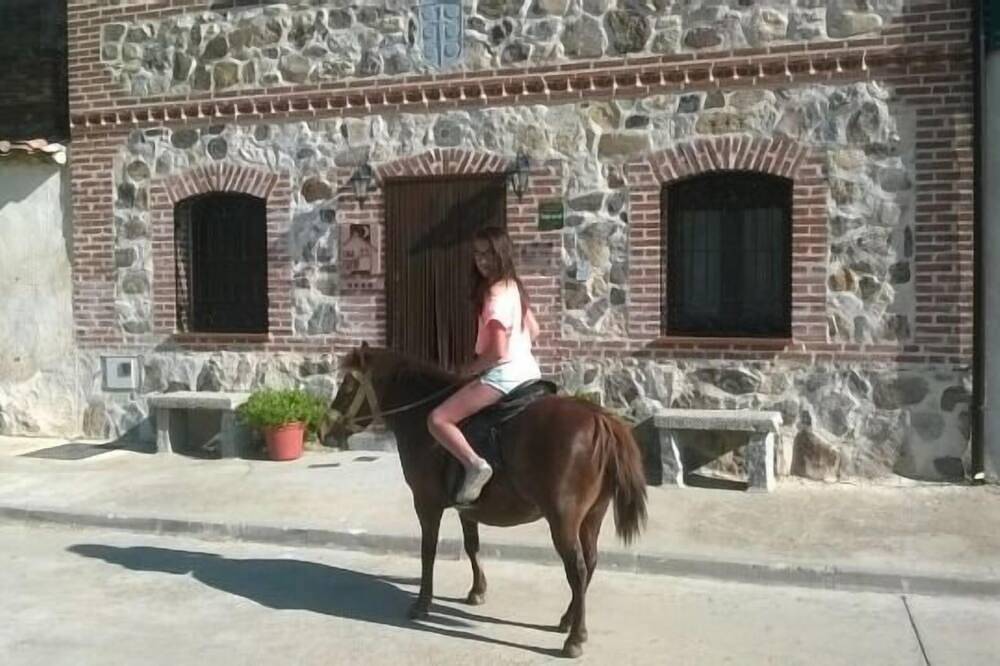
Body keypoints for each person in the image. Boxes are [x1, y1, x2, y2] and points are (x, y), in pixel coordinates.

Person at [427, 226, 541, 505]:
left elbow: (498, 351)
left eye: (489, 253)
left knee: (438, 419)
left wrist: (470, 369)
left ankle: (475, 465)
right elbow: (535, 330)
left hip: (504, 375)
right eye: (478, 255)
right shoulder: (514, 286)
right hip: (530, 370)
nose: (482, 260)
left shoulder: (493, 295)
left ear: (502, 253)